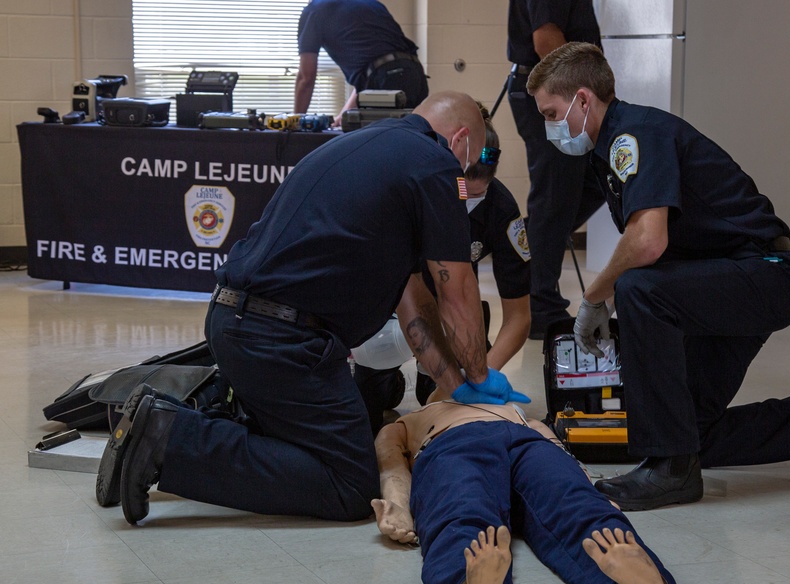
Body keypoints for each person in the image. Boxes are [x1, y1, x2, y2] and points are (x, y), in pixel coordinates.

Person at [95, 91, 529, 525]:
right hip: (285, 342)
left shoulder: (368, 146)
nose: (465, 173)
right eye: (469, 161)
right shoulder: (436, 165)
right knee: (353, 484)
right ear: (460, 141)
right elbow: (457, 292)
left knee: (307, 446)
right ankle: (170, 437)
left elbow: (414, 306)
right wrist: (479, 376)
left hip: (236, 323)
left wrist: (456, 388)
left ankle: (199, 418)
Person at [524, 42, 790, 510]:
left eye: (552, 112)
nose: (549, 127)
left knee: (637, 289)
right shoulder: (611, 149)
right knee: (690, 429)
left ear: (582, 99)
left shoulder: (634, 135)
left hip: (765, 272)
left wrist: (594, 297)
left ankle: (669, 470)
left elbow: (648, 241)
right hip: (730, 275)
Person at [371, 400, 680, 584]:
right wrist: (397, 506)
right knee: (462, 509)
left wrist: (590, 488)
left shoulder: (513, 409)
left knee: (576, 502)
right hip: (450, 443)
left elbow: (561, 452)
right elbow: (391, 465)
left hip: (526, 441)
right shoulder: (407, 420)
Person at [354, 103, 532, 425]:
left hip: (454, 314)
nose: (469, 205)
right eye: (465, 194)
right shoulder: (414, 193)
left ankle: (426, 379)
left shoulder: (501, 210)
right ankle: (389, 382)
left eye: (480, 195)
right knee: (368, 405)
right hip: (392, 310)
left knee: (446, 401)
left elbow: (519, 316)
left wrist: (482, 376)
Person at [506, 0, 606, 339]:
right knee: (554, 199)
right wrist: (580, 94)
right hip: (555, 90)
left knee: (589, 185)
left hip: (558, 88)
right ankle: (540, 305)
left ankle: (516, 244)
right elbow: (546, 38)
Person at [294, 0, 429, 124]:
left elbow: (306, 78)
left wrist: (295, 124)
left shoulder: (313, 11)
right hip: (415, 74)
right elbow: (371, 73)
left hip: (388, 79)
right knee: (409, 138)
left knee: (378, 142)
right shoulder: (369, 4)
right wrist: (342, 117)